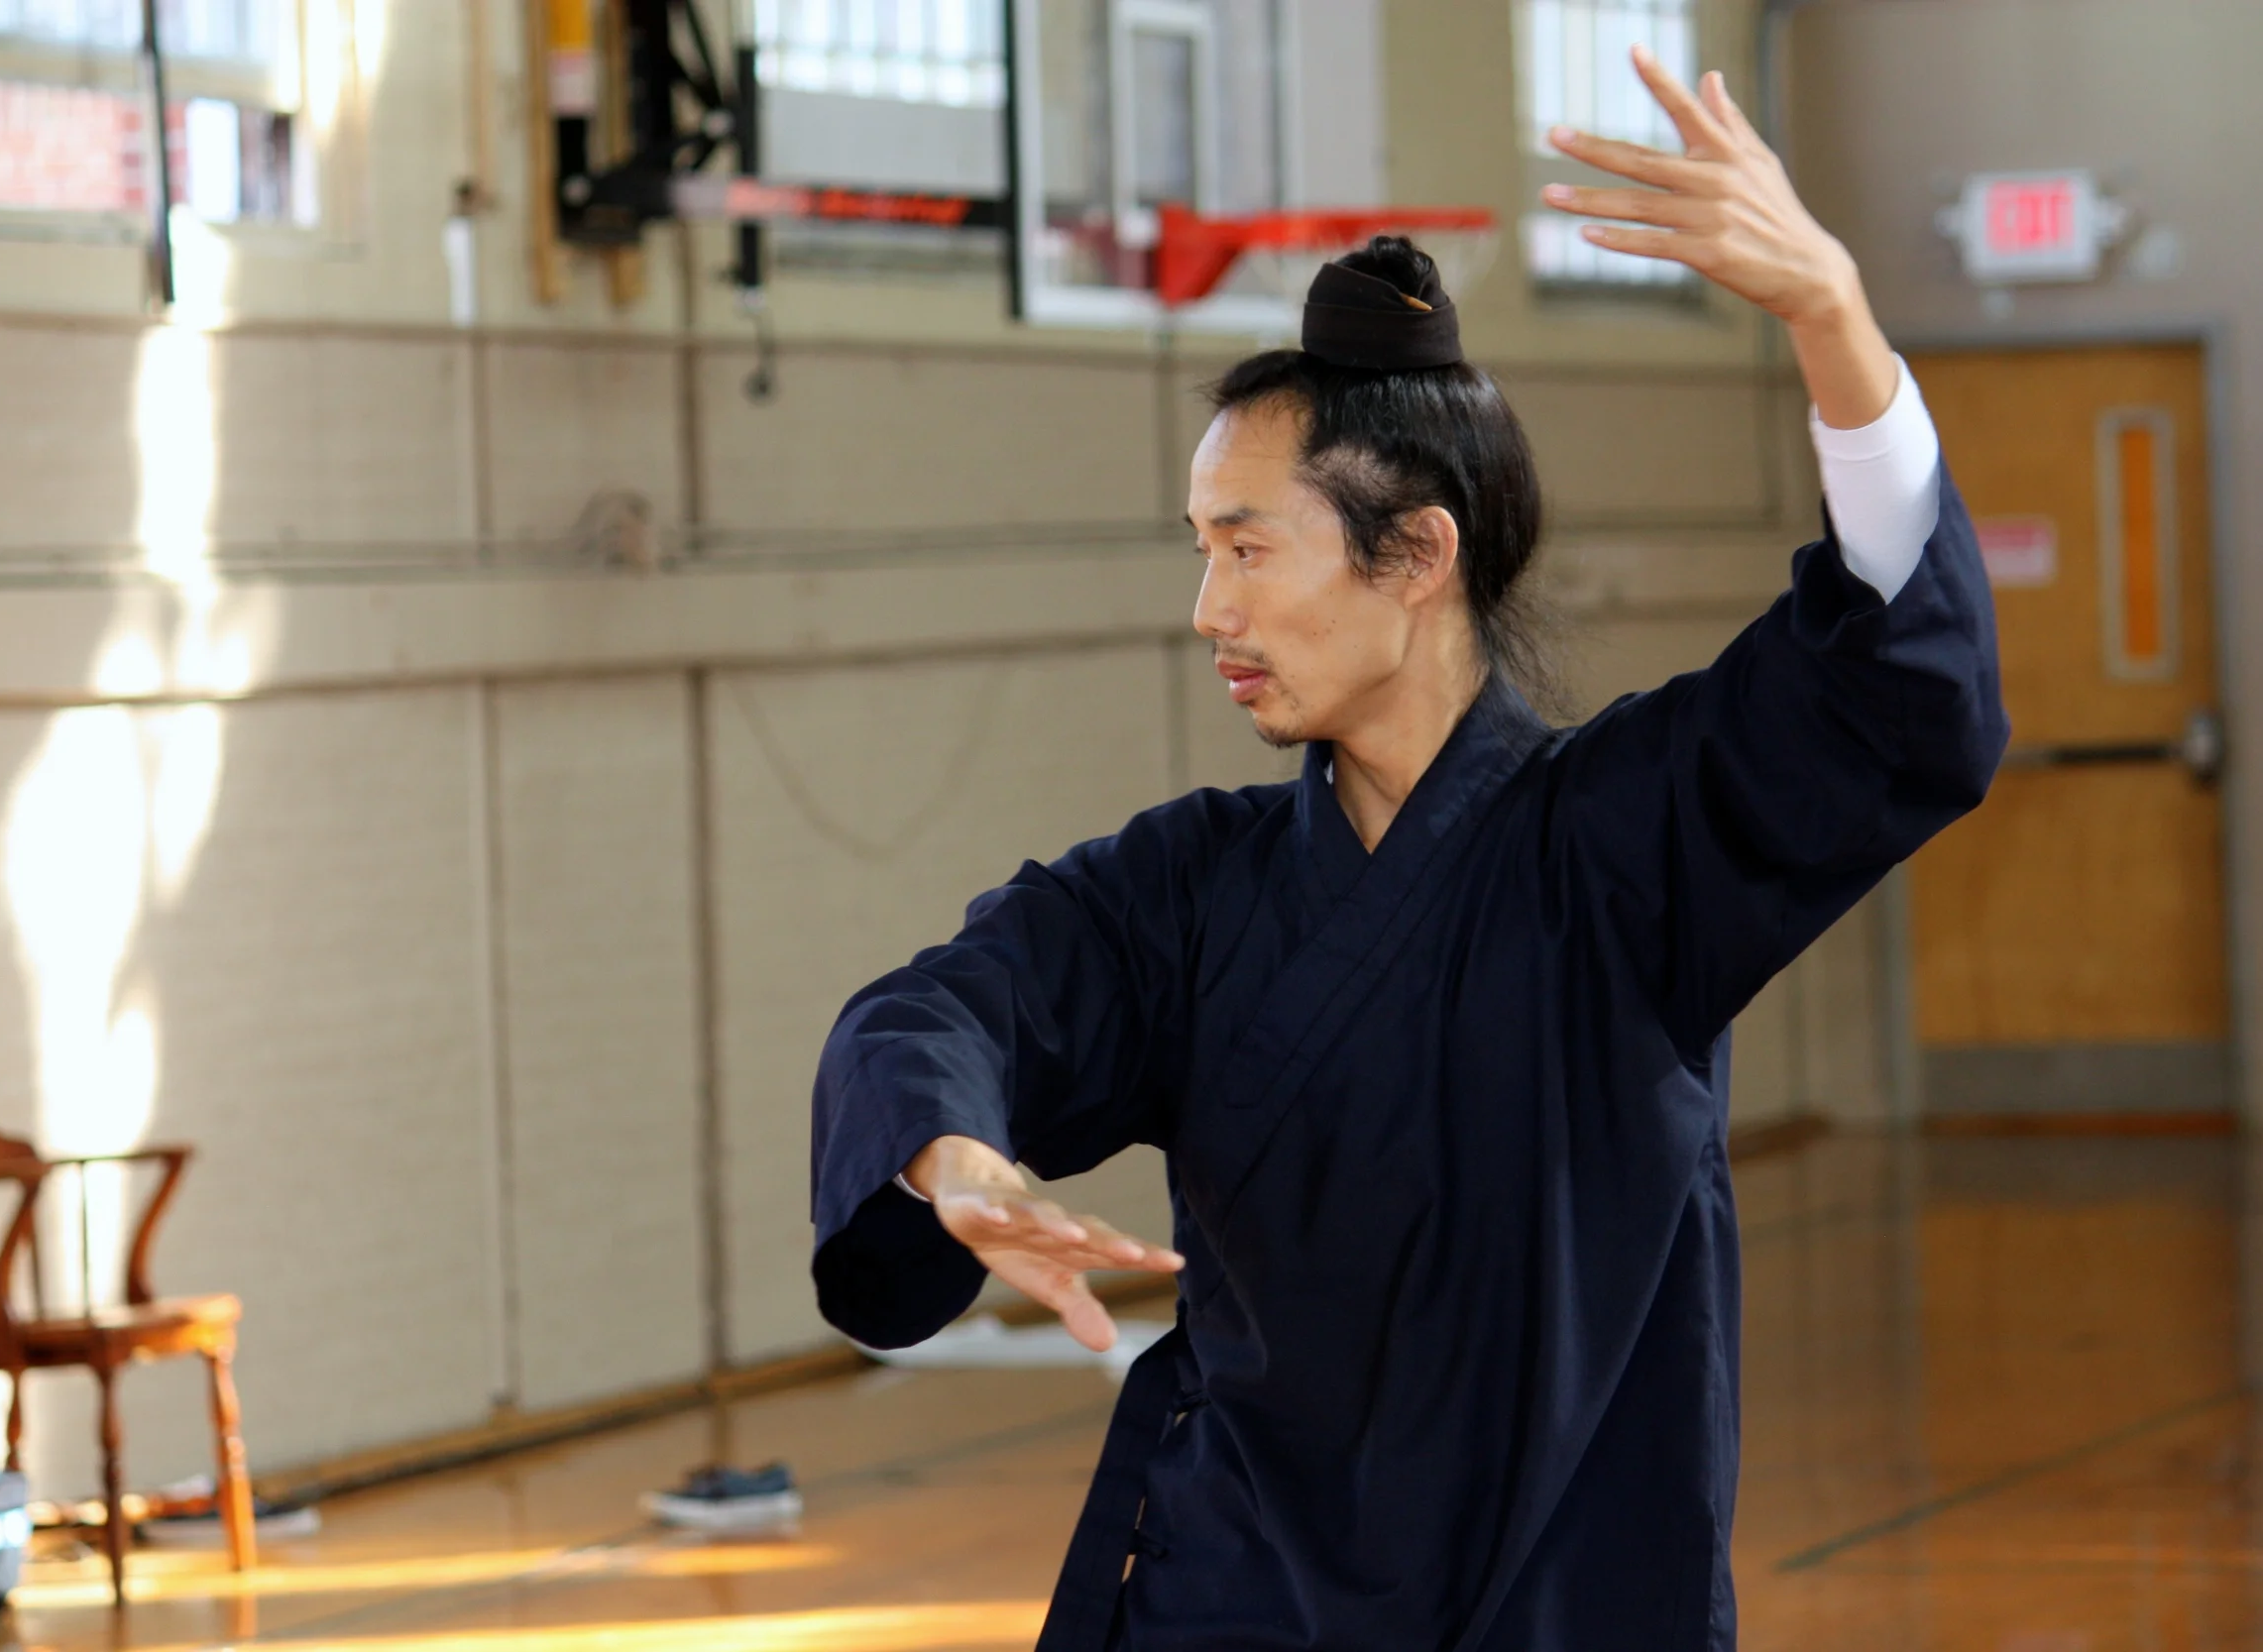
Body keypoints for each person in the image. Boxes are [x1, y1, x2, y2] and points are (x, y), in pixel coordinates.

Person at [809, 48, 2004, 1652]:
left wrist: (1832, 323)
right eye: (1199, 550)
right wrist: (950, 1152)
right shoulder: (1192, 888)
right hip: (1241, 1598)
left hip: (1554, 1606)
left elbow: (1894, 691)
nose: (1208, 611)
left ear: (1419, 555)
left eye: (1247, 548)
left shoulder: (1623, 852)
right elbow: (942, 1007)